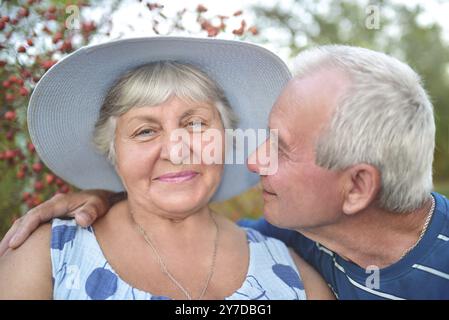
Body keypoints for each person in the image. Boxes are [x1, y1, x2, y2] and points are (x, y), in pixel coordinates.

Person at [3, 45, 449, 299]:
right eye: (143, 131)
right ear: (112, 152)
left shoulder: (293, 266)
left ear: (356, 189)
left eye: (196, 124)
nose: (177, 148)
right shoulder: (47, 257)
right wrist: (114, 196)